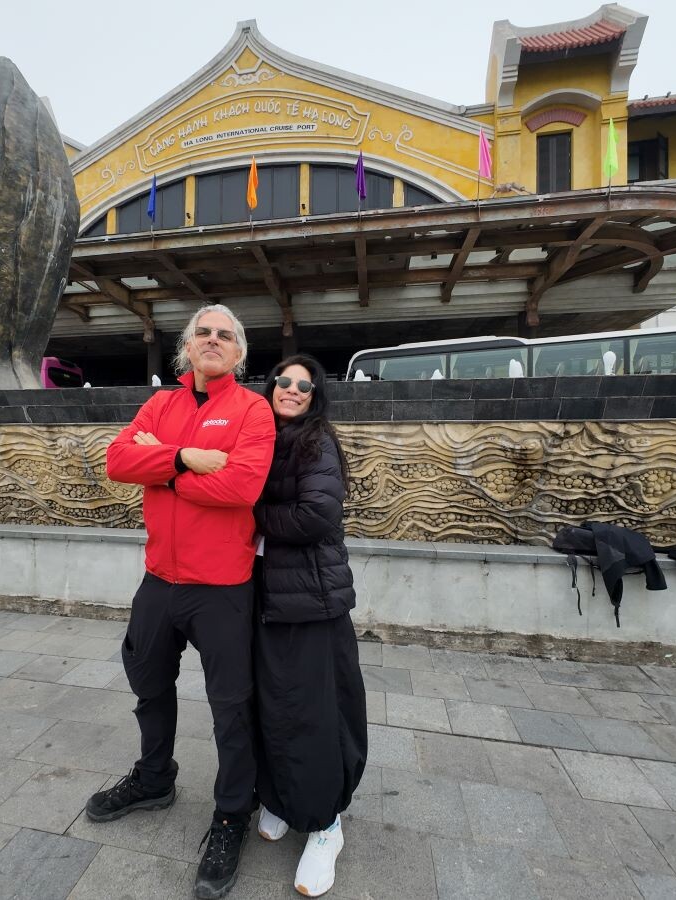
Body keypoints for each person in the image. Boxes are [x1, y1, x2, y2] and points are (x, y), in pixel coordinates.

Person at [87, 303, 275, 900]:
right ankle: (153, 778)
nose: (213, 340)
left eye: (226, 334)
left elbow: (241, 487)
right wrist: (185, 458)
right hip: (158, 582)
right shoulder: (160, 404)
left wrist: (159, 463)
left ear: (239, 353)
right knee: (148, 684)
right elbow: (118, 461)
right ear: (186, 349)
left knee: (231, 707)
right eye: (203, 333)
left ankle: (231, 814)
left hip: (221, 586)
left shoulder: (253, 410)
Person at [252, 354, 367, 898]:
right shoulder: (260, 434)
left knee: (314, 710)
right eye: (285, 381)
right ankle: (280, 796)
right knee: (271, 701)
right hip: (267, 596)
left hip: (312, 599)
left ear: (315, 395)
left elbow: (315, 515)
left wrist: (249, 515)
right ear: (270, 385)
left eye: (306, 385)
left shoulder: (316, 440)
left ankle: (325, 825)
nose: (293, 390)